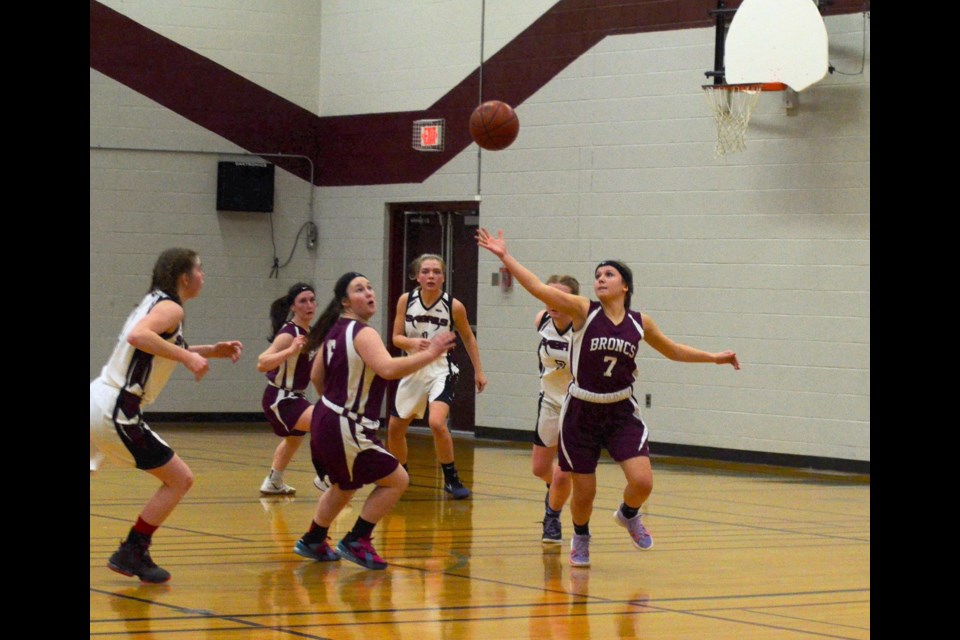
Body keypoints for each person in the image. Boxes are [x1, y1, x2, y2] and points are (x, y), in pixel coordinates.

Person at [477, 228, 739, 567]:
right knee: (585, 491)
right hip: (582, 410)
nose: (600, 279)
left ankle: (629, 514)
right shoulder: (583, 310)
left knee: (642, 481)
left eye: (608, 275)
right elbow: (538, 288)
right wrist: (504, 257)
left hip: (620, 410)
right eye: (597, 275)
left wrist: (714, 357)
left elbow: (672, 350)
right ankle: (581, 536)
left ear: (624, 285)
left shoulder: (640, 322)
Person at [90, 248, 244, 583]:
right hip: (117, 408)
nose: (204, 276)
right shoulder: (171, 307)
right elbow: (139, 337)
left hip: (97, 397)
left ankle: (133, 550)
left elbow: (151, 347)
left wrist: (208, 352)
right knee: (180, 479)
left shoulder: (153, 301)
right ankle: (133, 550)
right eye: (200, 270)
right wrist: (188, 360)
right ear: (184, 277)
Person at [292, 272, 456, 570]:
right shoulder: (362, 332)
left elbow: (316, 376)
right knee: (397, 479)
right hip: (346, 423)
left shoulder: (333, 330)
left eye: (370, 287)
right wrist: (431, 353)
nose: (369, 293)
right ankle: (357, 539)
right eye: (359, 289)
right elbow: (388, 368)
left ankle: (314, 538)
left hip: (328, 417)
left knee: (345, 484)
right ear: (345, 301)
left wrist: (331, 403)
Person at [386, 254, 487, 499]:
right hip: (412, 367)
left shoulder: (454, 306)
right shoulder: (406, 300)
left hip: (442, 368)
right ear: (417, 275)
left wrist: (479, 370)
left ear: (443, 276)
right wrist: (412, 342)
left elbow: (468, 337)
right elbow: (396, 337)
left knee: (436, 423)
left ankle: (451, 479)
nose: (431, 276)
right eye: (426, 271)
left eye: (436, 272)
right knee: (395, 429)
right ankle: (401, 474)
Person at [256, 283, 329, 495]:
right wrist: (290, 351)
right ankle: (325, 477)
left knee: (294, 439)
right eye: (303, 301)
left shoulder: (313, 333)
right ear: (293, 307)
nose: (309, 305)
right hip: (280, 397)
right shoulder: (289, 334)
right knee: (326, 423)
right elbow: (262, 363)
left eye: (312, 300)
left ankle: (274, 481)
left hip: (297, 396)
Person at [533, 275, 579, 544]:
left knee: (563, 471)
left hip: (577, 404)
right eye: (549, 295)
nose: (553, 301)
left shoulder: (583, 327)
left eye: (560, 296)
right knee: (540, 469)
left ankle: (552, 516)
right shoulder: (541, 320)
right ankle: (557, 490)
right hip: (549, 400)